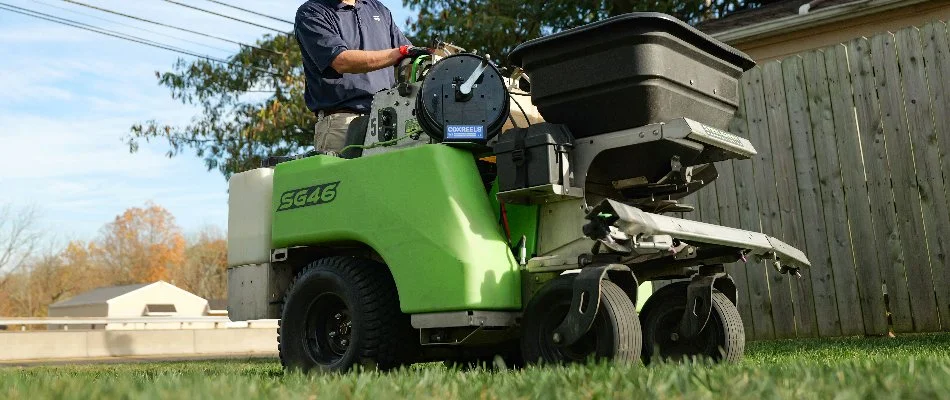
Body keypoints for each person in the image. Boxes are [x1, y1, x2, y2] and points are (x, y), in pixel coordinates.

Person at [295, 0, 430, 153]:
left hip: (388, 121)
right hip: (341, 124)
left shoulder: (378, 9)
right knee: (347, 177)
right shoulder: (312, 11)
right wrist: (400, 52)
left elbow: (411, 59)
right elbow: (341, 61)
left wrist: (436, 60)